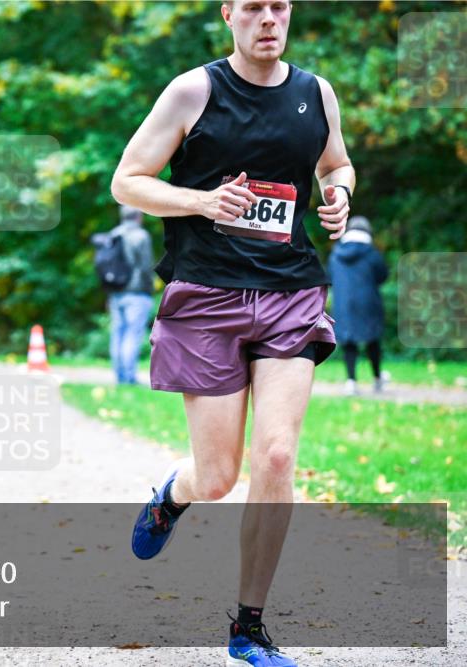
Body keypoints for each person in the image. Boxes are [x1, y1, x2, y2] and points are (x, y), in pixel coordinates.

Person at [110, 1, 353, 665]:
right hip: (207, 296)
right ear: (229, 15)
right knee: (217, 476)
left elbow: (336, 164)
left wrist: (339, 192)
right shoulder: (193, 91)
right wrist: (202, 201)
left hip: (290, 293)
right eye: (253, 7)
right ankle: (172, 496)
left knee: (275, 456)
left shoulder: (316, 93)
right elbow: (127, 182)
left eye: (279, 6)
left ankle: (248, 627)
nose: (268, 19)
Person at [327, 215, 388, 396]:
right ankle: (377, 379)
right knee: (372, 339)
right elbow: (382, 276)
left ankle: (351, 382)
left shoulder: (336, 254)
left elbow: (329, 277)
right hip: (368, 302)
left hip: (343, 303)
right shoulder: (371, 253)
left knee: (349, 341)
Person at [108, 205, 155, 385]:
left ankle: (119, 375)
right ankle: (129, 377)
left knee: (117, 333)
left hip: (116, 292)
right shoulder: (141, 236)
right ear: (138, 217)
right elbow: (145, 267)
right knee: (132, 334)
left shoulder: (113, 234)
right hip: (136, 292)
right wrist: (150, 289)